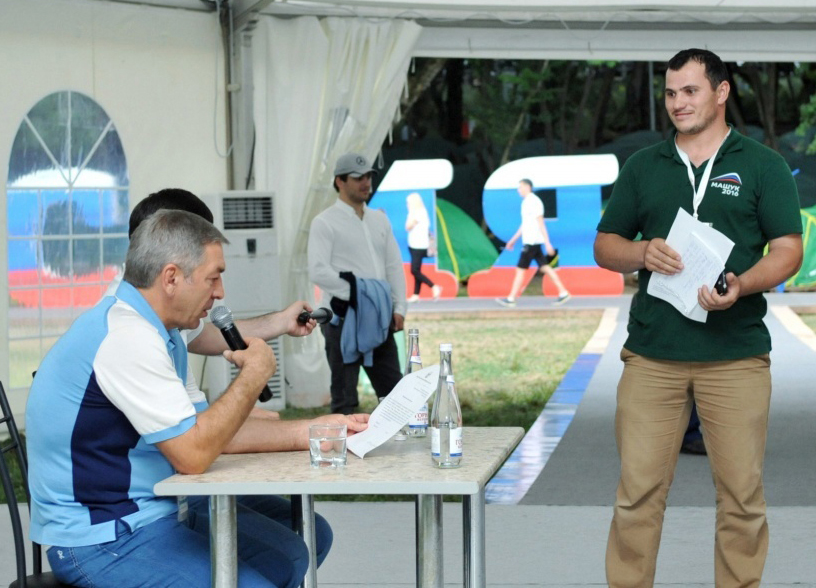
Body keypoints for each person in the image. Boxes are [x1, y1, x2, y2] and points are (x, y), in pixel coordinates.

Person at [26, 209, 369, 588]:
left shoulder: (163, 332)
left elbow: (211, 433)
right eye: (213, 277)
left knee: (294, 554)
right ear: (171, 277)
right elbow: (194, 454)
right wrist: (252, 377)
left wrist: (312, 430)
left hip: (156, 509)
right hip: (102, 536)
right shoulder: (128, 337)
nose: (220, 291)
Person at [594, 48, 802, 587]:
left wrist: (742, 284)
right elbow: (605, 244)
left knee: (742, 498)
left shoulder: (762, 165)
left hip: (735, 356)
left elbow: (787, 250)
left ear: (721, 91)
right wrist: (641, 253)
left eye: (690, 91)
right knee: (636, 495)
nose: (678, 103)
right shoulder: (644, 166)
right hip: (652, 355)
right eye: (670, 93)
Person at [308, 152, 407, 414]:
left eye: (368, 176)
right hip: (342, 319)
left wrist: (399, 308)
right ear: (340, 181)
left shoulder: (379, 219)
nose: (366, 182)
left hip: (379, 317)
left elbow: (393, 266)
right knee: (345, 400)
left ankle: (401, 440)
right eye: (358, 177)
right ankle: (344, 441)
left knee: (395, 395)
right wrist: (357, 293)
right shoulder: (324, 222)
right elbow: (317, 270)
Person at [496, 178, 571, 307]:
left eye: (520, 187)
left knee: (520, 269)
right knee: (545, 267)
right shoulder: (526, 202)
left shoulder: (534, 201)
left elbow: (541, 222)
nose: (518, 190)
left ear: (527, 187)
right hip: (531, 241)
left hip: (532, 242)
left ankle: (511, 298)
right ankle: (563, 292)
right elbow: (525, 224)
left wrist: (547, 243)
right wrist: (513, 240)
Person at [405, 192, 441, 302]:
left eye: (408, 203)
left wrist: (411, 217)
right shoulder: (416, 213)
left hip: (419, 245)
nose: (407, 205)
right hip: (413, 244)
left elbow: (408, 226)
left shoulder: (419, 212)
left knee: (414, 270)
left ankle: (433, 286)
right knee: (417, 270)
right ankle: (416, 294)